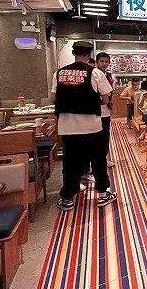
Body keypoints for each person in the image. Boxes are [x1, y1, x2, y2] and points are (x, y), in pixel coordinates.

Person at [50, 41, 116, 210]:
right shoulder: (95, 72)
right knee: (98, 159)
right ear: (89, 54)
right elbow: (106, 98)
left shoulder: (59, 73)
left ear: (73, 53)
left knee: (70, 161)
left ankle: (67, 198)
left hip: (67, 126)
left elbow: (52, 98)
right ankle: (103, 195)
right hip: (92, 125)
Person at [95, 52, 115, 168]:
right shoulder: (94, 75)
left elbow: (110, 92)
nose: (104, 63)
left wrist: (110, 101)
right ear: (97, 62)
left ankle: (104, 159)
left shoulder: (109, 76)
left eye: (106, 61)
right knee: (96, 138)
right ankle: (96, 161)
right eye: (101, 61)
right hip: (95, 112)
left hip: (106, 111)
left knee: (105, 137)